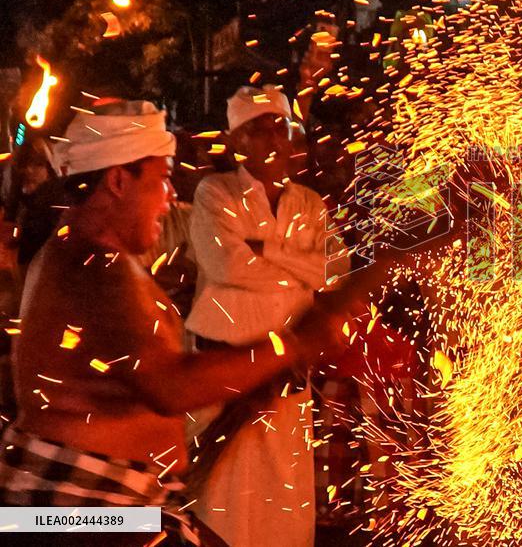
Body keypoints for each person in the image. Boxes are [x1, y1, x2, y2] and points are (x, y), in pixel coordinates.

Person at [0, 99, 363, 546]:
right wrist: (291, 345)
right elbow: (171, 386)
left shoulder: (94, 256)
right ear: (117, 180)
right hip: (76, 513)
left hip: (112, 506)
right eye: (162, 179)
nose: (171, 196)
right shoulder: (92, 262)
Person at [184, 85, 397, 547]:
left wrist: (270, 250)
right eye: (258, 130)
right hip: (223, 374)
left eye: (279, 127)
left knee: (281, 505)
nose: (272, 139)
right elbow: (227, 266)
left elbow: (334, 270)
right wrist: (299, 269)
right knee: (222, 501)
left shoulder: (309, 204)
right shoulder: (215, 192)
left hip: (286, 378)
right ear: (236, 140)